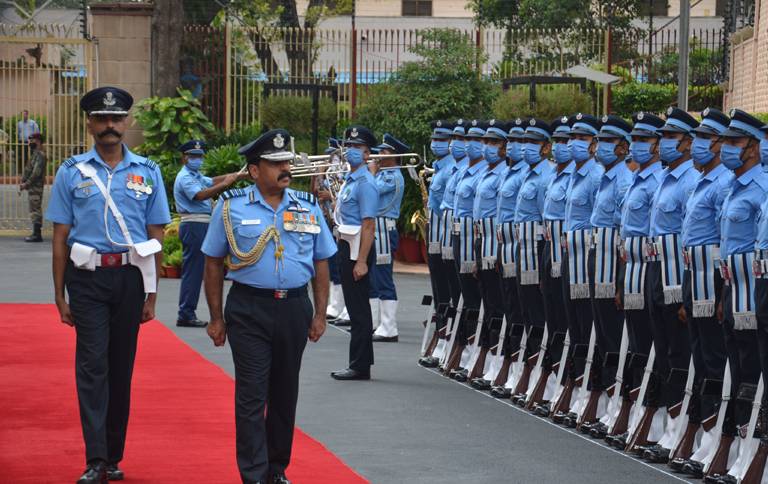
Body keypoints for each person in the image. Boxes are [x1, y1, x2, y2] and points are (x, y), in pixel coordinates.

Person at [45, 86, 171, 484]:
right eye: (102, 118)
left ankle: (113, 455)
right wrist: (59, 294)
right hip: (88, 281)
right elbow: (61, 236)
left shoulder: (147, 173)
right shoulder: (71, 171)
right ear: (90, 123)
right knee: (92, 366)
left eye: (116, 119)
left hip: (130, 279)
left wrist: (152, 293)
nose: (110, 126)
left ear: (127, 122)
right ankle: (95, 459)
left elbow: (156, 236)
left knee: (120, 368)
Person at [202, 128, 336, 484]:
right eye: (275, 163)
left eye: (286, 161)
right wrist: (215, 317)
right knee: (251, 393)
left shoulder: (307, 209)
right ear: (254, 170)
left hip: (293, 308)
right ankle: (254, 473)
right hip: (249, 308)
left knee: (284, 392)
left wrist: (320, 313)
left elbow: (321, 262)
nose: (284, 168)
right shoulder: (231, 209)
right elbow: (213, 262)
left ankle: (277, 469)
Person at [696, 109, 768, 482]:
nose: (725, 148)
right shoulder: (733, 186)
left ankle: (753, 451)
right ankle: (739, 447)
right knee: (737, 371)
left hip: (755, 289)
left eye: (734, 142)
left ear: (754, 148)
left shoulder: (760, 188)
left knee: (753, 373)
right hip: (732, 286)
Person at [669, 107, 731, 472]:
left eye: (709, 137)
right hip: (695, 276)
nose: (699, 144)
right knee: (699, 355)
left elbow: (727, 241)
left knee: (713, 360)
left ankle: (715, 436)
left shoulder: (723, 182)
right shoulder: (703, 179)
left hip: (716, 279)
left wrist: (723, 293)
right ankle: (703, 434)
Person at [640, 106, 700, 462]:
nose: (663, 143)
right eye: (662, 137)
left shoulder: (692, 179)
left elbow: (688, 237)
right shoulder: (664, 176)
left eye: (670, 137)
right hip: (654, 267)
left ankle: (682, 428)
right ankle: (667, 423)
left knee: (679, 353)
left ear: (688, 143)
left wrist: (683, 294)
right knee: (662, 350)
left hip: (679, 273)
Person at [607, 111, 666, 451]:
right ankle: (639, 413)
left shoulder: (657, 180)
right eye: (636, 139)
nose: (637, 146)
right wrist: (618, 281)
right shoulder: (638, 179)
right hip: (631, 268)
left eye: (645, 140)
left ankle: (660, 420)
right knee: (639, 346)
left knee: (660, 348)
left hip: (656, 270)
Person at [582, 114, 634, 439]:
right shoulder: (605, 177)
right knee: (602, 336)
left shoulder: (624, 180)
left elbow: (622, 236)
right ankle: (605, 405)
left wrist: (618, 280)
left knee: (615, 339)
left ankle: (619, 406)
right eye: (599, 140)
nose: (599, 147)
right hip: (595, 258)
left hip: (611, 264)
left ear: (623, 147)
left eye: (608, 141)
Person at [173, 139, 243, 328]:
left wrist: (236, 175)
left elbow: (211, 181)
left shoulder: (194, 174)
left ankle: (187, 311)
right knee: (194, 271)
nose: (197, 159)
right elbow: (201, 195)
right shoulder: (185, 177)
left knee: (197, 270)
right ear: (184, 158)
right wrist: (226, 183)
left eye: (199, 156)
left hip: (201, 223)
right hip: (194, 223)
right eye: (193, 156)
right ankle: (186, 313)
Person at [330, 126, 379, 381]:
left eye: (357, 148)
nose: (350, 151)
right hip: (347, 243)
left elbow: (369, 224)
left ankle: (359, 365)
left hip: (357, 246)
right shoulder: (351, 180)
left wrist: (361, 260)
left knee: (358, 308)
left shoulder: (366, 183)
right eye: (349, 146)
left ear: (367, 154)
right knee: (354, 304)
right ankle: (361, 360)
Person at [369, 133, 408, 342]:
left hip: (384, 229)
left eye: (384, 152)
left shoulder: (393, 176)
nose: (379, 155)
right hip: (377, 228)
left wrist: (373, 173)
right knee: (375, 277)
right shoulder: (384, 174)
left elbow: (372, 193)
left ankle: (389, 326)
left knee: (383, 277)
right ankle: (379, 323)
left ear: (395, 155)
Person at [19, 131, 47, 242]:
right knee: (34, 209)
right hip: (33, 186)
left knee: (35, 209)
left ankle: (37, 234)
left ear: (38, 141)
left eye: (32, 140)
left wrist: (26, 183)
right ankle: (36, 233)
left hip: (36, 187)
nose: (30, 142)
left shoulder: (40, 155)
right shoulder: (36, 153)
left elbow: (36, 172)